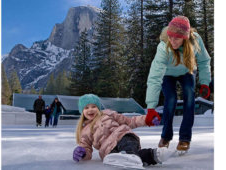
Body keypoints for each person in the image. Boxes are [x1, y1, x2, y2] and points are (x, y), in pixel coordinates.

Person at [145, 16, 211, 152]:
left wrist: (205, 83)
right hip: (167, 74)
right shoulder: (164, 47)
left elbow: (204, 61)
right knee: (171, 99)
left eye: (176, 38)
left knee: (189, 97)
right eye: (170, 37)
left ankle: (185, 138)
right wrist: (151, 107)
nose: (172, 41)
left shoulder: (195, 41)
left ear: (185, 38)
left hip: (187, 70)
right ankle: (165, 136)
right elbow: (155, 77)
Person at [73, 94, 165, 168]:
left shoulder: (108, 114)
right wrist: (82, 153)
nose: (90, 110)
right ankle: (152, 155)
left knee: (129, 151)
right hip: (108, 150)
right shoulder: (84, 131)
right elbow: (86, 148)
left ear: (98, 108)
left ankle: (133, 156)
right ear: (82, 112)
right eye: (86, 108)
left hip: (123, 136)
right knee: (123, 157)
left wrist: (147, 119)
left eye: (93, 106)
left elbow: (130, 121)